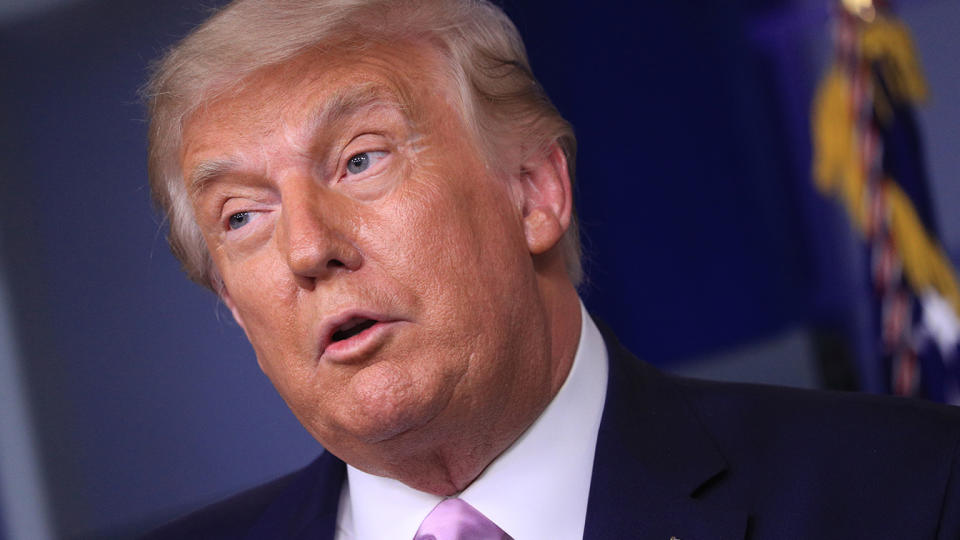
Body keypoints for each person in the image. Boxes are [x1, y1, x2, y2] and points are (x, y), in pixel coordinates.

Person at [143, 1, 960, 538]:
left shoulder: (908, 491)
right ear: (239, 311)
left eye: (360, 159)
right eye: (242, 217)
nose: (307, 248)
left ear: (535, 191)